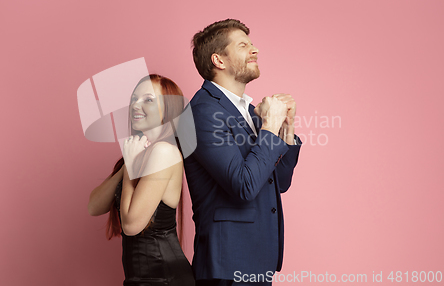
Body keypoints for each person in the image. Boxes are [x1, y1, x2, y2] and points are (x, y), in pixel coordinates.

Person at [183, 19, 302, 286]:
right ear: (219, 60)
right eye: (243, 45)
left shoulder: (248, 112)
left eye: (252, 43)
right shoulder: (202, 113)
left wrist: (286, 127)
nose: (255, 49)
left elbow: (278, 183)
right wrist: (269, 126)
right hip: (227, 267)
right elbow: (244, 186)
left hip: (257, 261)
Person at [88, 74, 195, 286]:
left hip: (165, 278)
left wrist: (129, 168)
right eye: (134, 99)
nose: (136, 105)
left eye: (148, 99)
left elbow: (131, 225)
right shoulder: (138, 153)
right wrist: (127, 164)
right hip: (141, 278)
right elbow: (94, 206)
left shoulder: (164, 152)